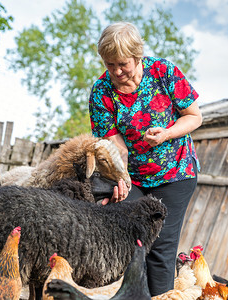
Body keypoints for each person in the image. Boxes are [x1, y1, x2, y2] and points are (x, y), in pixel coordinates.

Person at [88, 21, 202, 296]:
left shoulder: (164, 72)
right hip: (133, 177)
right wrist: (119, 178)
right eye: (109, 64)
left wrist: (167, 133)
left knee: (161, 247)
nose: (116, 71)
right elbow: (114, 145)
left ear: (137, 57)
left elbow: (194, 117)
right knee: (129, 237)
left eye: (122, 64)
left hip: (174, 173)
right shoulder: (102, 92)